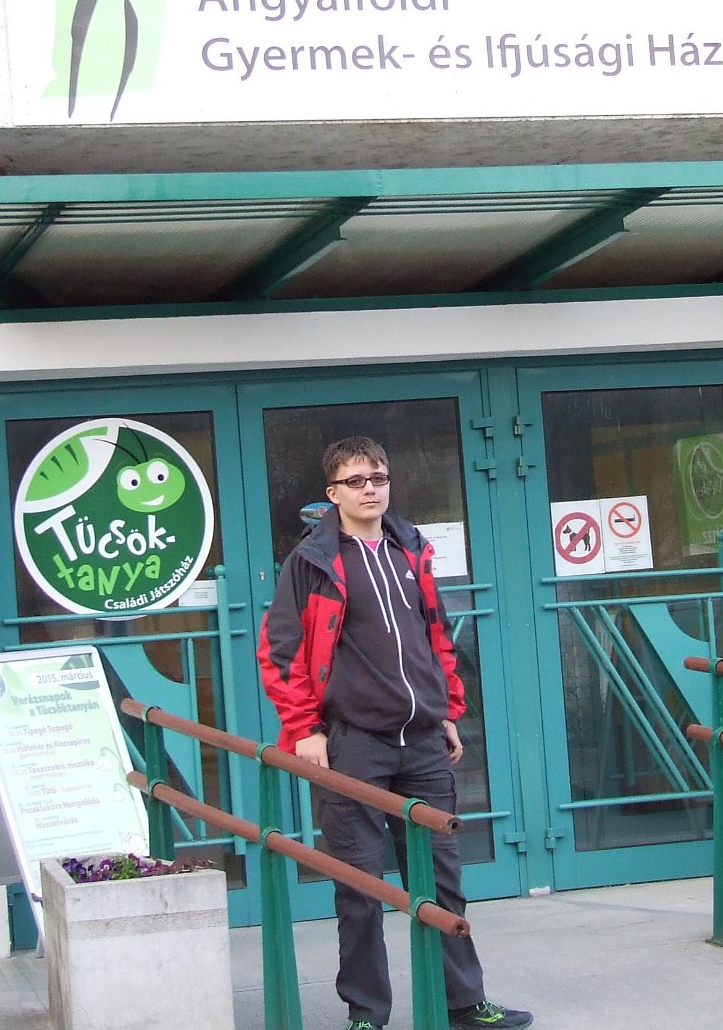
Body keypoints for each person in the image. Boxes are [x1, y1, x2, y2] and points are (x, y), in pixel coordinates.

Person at [258, 436, 534, 1030]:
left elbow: (436, 641)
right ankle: (366, 1015)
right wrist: (305, 729)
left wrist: (447, 711)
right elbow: (280, 653)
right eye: (356, 481)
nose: (370, 490)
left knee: (441, 883)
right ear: (333, 492)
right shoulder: (312, 562)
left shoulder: (411, 549)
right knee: (359, 888)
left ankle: (464, 1002)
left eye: (378, 478)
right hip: (353, 743)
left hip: (423, 742)